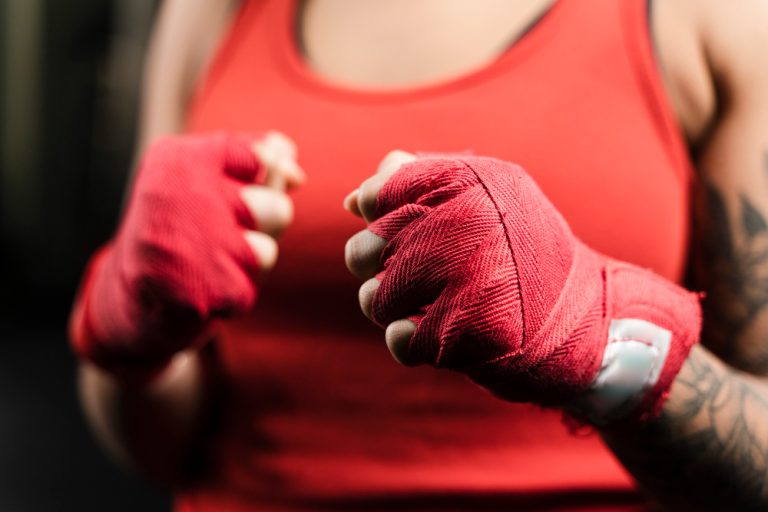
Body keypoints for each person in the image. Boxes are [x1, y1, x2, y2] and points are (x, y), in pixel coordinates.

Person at [69, 0, 768, 510]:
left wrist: (598, 332)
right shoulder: (211, 12)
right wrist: (132, 327)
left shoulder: (711, 17)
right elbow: (158, 450)